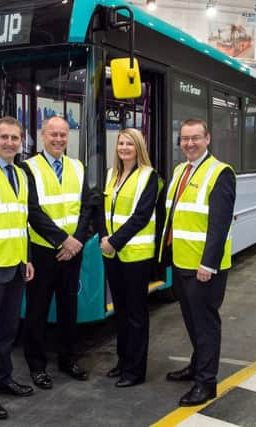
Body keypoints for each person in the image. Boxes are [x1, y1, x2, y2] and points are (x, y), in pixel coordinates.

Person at [0, 116, 66, 420]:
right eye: (3, 137)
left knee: (6, 331)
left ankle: (2, 378)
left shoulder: (20, 173)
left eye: (14, 138)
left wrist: (28, 258)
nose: (9, 143)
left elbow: (21, 222)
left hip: (16, 267)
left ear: (22, 141)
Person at [159, 118, 236, 407]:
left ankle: (206, 382)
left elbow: (219, 225)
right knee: (192, 321)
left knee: (205, 324)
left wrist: (209, 265)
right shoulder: (181, 171)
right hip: (182, 262)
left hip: (204, 269)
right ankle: (196, 365)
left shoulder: (220, 173)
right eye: (184, 139)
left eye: (195, 138)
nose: (189, 144)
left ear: (208, 139)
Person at [22, 115, 90, 390]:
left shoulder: (77, 167)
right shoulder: (27, 168)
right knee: (37, 311)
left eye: (63, 134)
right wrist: (63, 240)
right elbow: (32, 210)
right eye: (53, 134)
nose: (59, 139)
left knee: (68, 309)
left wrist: (76, 242)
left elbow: (87, 207)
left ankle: (68, 359)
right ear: (42, 135)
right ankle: (37, 367)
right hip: (42, 252)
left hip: (72, 253)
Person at [99, 129, 159, 388]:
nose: (124, 148)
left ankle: (135, 371)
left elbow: (141, 216)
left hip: (136, 255)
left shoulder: (149, 176)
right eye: (121, 143)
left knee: (136, 314)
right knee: (121, 312)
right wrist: (104, 237)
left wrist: (113, 241)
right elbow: (102, 210)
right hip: (112, 254)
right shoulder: (112, 174)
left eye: (129, 144)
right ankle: (123, 362)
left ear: (139, 148)